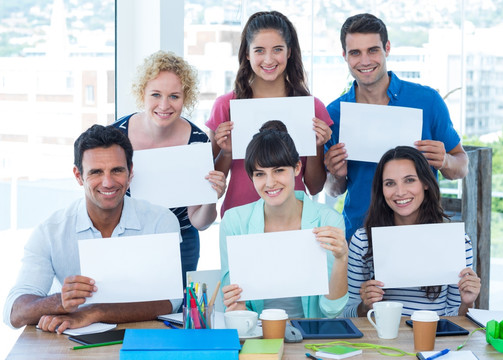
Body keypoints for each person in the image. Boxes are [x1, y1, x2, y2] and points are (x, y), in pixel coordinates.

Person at [3, 125, 182, 333]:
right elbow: (13, 312)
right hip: (72, 345)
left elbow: (171, 301)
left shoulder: (161, 221)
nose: (108, 182)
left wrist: (94, 311)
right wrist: (60, 302)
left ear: (130, 172)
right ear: (78, 176)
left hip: (146, 337)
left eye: (117, 170)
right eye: (96, 172)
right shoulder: (50, 232)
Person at [324, 13, 469, 240]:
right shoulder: (334, 114)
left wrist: (446, 161)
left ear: (387, 48)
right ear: (344, 56)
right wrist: (336, 175)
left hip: (421, 233)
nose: (364, 61)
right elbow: (333, 190)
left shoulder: (427, 101)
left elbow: (461, 166)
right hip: (360, 237)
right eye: (355, 53)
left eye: (372, 50)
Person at [112, 50, 226, 283]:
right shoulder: (115, 136)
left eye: (174, 96)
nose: (164, 105)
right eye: (156, 94)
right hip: (126, 239)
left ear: (186, 98)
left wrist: (211, 196)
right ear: (141, 93)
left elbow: (200, 222)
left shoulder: (197, 141)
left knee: (175, 314)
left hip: (181, 241)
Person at [206, 10, 333, 217]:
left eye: (277, 49)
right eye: (259, 50)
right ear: (247, 54)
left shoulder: (313, 107)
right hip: (239, 218)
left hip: (294, 219)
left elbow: (314, 187)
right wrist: (227, 152)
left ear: (289, 52)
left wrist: (318, 147)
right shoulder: (225, 106)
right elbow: (212, 186)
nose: (268, 59)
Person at [220, 121, 348, 318]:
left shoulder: (328, 220)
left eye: (279, 170)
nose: (270, 183)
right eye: (260, 174)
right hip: (259, 331)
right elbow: (235, 302)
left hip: (312, 335)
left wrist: (341, 259)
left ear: (297, 168)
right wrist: (238, 309)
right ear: (251, 177)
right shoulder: (234, 221)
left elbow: (332, 310)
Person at [343, 146, 480, 317]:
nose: (400, 192)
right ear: (382, 190)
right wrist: (365, 306)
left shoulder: (458, 242)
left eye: (409, 180)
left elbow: (455, 318)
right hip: (380, 340)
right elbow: (347, 314)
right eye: (390, 183)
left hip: (434, 340)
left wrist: (468, 303)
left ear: (425, 184)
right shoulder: (363, 240)